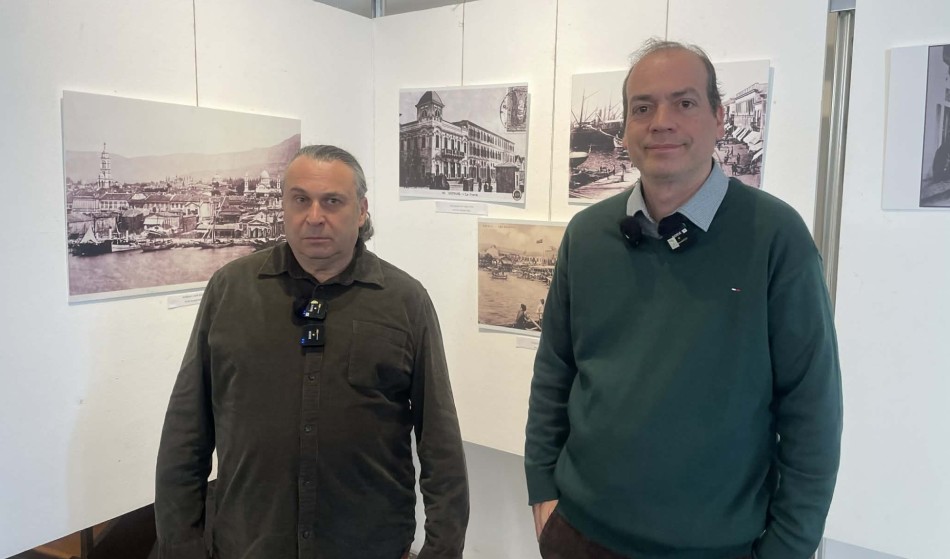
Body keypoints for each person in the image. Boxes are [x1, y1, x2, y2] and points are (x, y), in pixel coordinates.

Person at [525, 39, 842, 559]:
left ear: (719, 118)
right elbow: (555, 371)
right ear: (624, 128)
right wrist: (543, 489)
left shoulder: (775, 237)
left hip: (716, 547)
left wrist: (789, 548)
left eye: (685, 102)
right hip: (578, 534)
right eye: (642, 108)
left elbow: (812, 410)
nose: (661, 122)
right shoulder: (587, 235)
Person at [156, 145, 469, 559]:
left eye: (332, 201)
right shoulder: (230, 290)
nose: (315, 216)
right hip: (249, 544)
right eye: (301, 200)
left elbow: (439, 438)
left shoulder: (405, 301)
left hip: (369, 546)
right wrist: (181, 545)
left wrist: (442, 549)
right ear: (283, 206)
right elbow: (187, 429)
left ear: (361, 211)